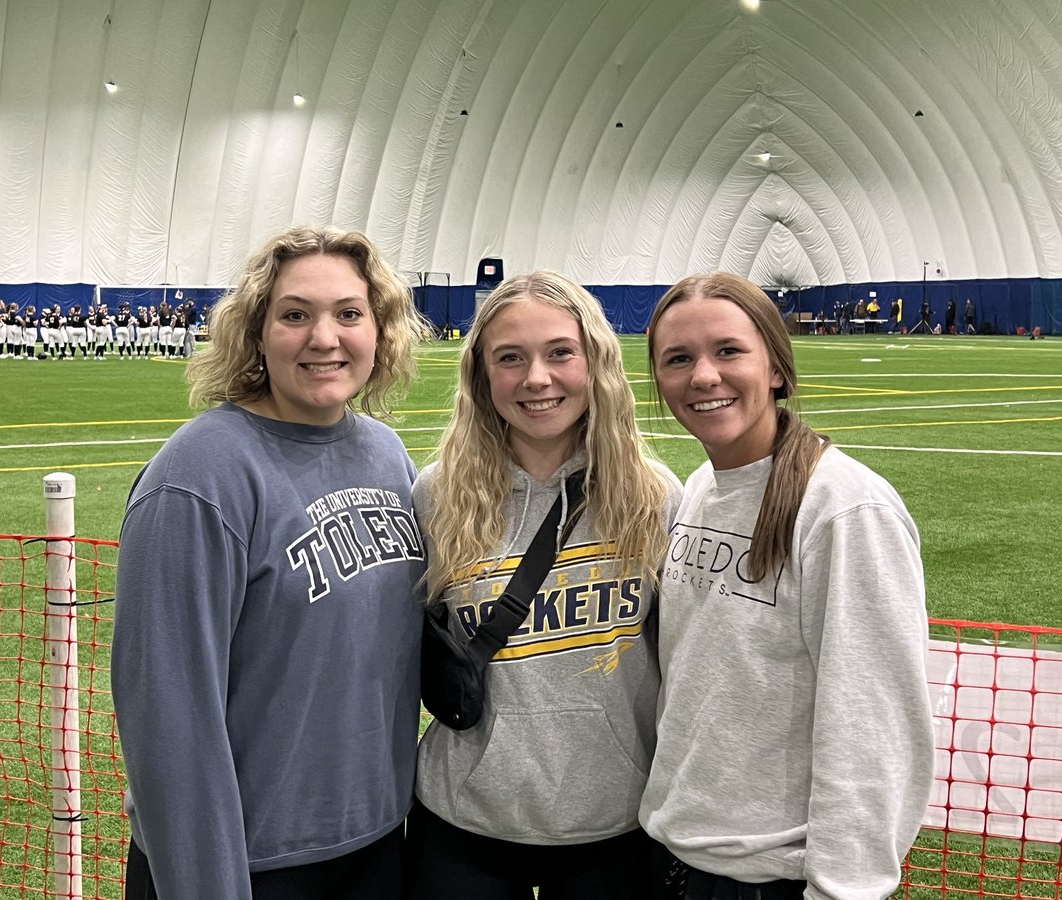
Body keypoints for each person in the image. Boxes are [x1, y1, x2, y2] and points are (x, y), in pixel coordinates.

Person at [111, 225, 428, 900]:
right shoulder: (200, 475)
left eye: (349, 313)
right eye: (294, 315)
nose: (324, 338)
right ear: (256, 332)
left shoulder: (386, 454)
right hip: (246, 866)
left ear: (381, 330)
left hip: (374, 847)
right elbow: (169, 713)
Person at [641, 273, 934, 900]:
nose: (703, 376)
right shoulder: (697, 491)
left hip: (771, 877)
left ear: (776, 367)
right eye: (678, 359)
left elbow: (872, 722)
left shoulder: (846, 508)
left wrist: (844, 888)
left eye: (728, 351)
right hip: (678, 855)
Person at [405, 271, 682, 900]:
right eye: (511, 358)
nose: (536, 378)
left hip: (614, 828)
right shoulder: (437, 496)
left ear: (597, 363)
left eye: (560, 352)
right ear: (482, 375)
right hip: (462, 822)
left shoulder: (656, 497)